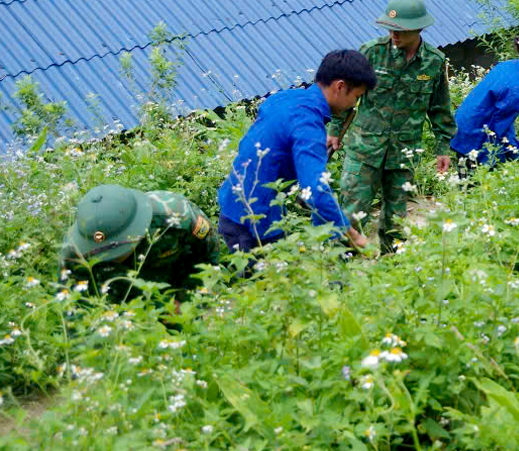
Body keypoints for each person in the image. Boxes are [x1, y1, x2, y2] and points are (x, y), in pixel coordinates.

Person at [333, 0, 457, 254]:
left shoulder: (433, 62)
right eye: (390, 29)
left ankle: (392, 269)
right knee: (352, 214)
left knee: (396, 219)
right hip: (364, 150)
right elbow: (343, 97)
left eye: (401, 30)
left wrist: (443, 148)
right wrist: (334, 132)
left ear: (419, 29)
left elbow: (440, 109)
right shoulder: (370, 53)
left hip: (403, 154)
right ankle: (339, 274)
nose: (394, 35)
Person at [218, 50, 375, 253]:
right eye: (356, 96)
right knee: (267, 282)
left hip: (233, 202)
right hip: (255, 221)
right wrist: (352, 235)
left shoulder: (285, 98)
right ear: (340, 86)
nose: (354, 104)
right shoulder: (308, 127)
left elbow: (268, 137)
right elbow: (316, 192)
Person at [61, 185, 221, 301]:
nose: (112, 258)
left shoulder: (176, 216)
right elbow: (73, 298)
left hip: (175, 277)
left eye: (117, 250)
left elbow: (208, 254)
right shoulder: (74, 250)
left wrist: (189, 296)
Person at [449, 34, 519, 172]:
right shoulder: (517, 88)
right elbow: (500, 130)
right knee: (476, 184)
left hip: (464, 124)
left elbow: (503, 120)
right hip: (474, 135)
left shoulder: (510, 65)